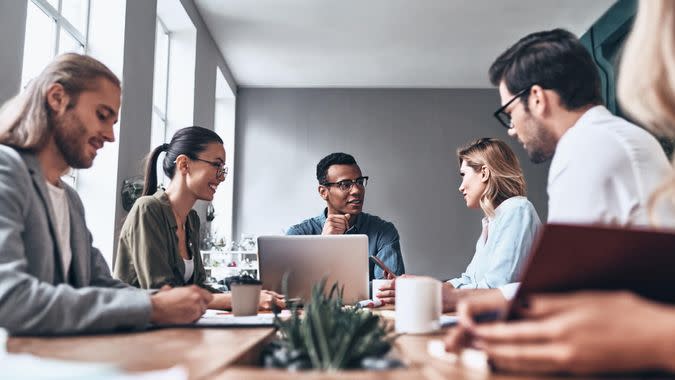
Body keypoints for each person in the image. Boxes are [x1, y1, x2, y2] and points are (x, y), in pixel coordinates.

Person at [445, 6, 675, 375]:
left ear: (537, 98)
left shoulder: (587, 146)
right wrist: (496, 301)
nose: (512, 129)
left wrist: (478, 301)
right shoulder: (612, 137)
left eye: (509, 111)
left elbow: (565, 291)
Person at [0, 53, 213, 335]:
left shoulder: (70, 199)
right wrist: (153, 308)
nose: (111, 135)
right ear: (57, 98)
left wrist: (162, 302)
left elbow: (100, 283)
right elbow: (10, 300)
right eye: (102, 115)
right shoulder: (6, 170)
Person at [114, 126, 284, 310]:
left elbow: (199, 288)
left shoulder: (191, 220)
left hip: (175, 328)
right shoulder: (148, 209)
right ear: (184, 164)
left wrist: (252, 296)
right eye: (217, 165)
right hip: (137, 332)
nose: (222, 177)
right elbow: (162, 294)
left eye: (223, 168)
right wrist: (242, 300)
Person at [377, 139, 541, 311]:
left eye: (463, 175)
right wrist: (421, 286)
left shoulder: (517, 210)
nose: (461, 187)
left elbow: (497, 288)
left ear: (484, 173)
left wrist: (428, 293)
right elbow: (469, 279)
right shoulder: (492, 221)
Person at [287, 152, 405, 280]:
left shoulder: (383, 232)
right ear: (323, 192)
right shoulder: (298, 235)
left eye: (360, 182)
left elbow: (388, 290)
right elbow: (290, 290)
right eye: (345, 184)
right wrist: (323, 246)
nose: (357, 190)